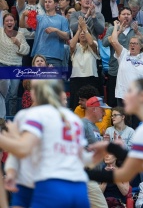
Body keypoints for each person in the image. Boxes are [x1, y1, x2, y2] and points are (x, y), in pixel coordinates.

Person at [87, 78, 143, 208]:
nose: (125, 96)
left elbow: (126, 172)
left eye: (130, 91)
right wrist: (111, 147)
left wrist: (85, 173)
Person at [3, 80, 91, 208]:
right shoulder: (73, 118)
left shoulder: (34, 115)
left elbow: (22, 148)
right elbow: (83, 158)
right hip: (78, 186)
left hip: (48, 183)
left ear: (36, 93)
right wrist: (11, 172)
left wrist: (10, 138)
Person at [102, 7, 143, 107]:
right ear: (119, 16)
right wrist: (118, 31)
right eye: (124, 14)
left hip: (133, 71)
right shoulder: (112, 29)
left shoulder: (138, 28)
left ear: (132, 16)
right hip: (115, 70)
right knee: (113, 102)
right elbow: (105, 43)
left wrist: (138, 33)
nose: (126, 16)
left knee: (131, 102)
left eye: (128, 14)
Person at [110, 20, 143, 107]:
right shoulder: (123, 54)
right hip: (123, 96)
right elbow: (113, 41)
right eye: (131, 43)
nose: (132, 45)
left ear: (140, 46)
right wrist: (117, 28)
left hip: (139, 98)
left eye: (135, 43)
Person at [20, 0, 69, 67]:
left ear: (56, 4)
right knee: (39, 79)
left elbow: (67, 36)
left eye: (49, 2)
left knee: (55, 79)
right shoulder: (38, 18)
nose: (47, 4)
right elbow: (23, 25)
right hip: (39, 56)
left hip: (55, 57)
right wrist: (23, 15)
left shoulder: (63, 19)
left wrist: (56, 30)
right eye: (45, 2)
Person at [82, 96, 111, 208]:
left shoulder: (95, 128)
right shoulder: (82, 124)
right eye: (102, 110)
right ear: (94, 109)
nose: (104, 114)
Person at [0, 13, 30, 116]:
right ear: (3, 23)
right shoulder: (0, 32)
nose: (9, 22)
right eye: (7, 21)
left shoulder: (20, 35)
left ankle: (11, 117)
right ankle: (2, 117)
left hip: (16, 67)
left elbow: (26, 50)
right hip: (2, 65)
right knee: (4, 93)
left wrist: (18, 43)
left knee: (13, 94)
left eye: (11, 20)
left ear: (14, 22)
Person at [17, 0, 46, 66]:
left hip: (38, 39)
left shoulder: (41, 5)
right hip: (24, 39)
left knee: (37, 65)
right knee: (25, 64)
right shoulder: (22, 6)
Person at [69, 16, 100, 110]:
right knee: (76, 105)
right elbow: (71, 45)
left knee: (91, 105)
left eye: (84, 33)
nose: (82, 34)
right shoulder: (76, 46)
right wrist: (79, 30)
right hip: (76, 79)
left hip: (91, 78)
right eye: (81, 33)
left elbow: (91, 43)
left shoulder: (94, 44)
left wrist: (85, 29)